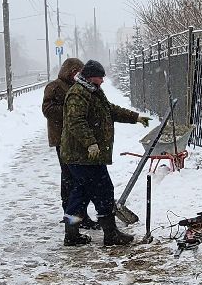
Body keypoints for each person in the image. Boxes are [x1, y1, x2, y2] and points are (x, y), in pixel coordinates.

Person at [58, 60, 150, 247]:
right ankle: (110, 234)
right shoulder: (78, 93)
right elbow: (76, 121)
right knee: (103, 190)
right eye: (100, 77)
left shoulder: (92, 91)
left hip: (87, 156)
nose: (102, 80)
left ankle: (72, 234)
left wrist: (135, 117)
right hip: (82, 156)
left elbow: (110, 110)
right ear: (91, 76)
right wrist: (90, 143)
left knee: (80, 194)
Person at [40, 57, 95, 228]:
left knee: (79, 179)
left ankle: (79, 216)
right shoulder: (55, 87)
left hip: (77, 138)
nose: (79, 75)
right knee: (70, 179)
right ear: (69, 71)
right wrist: (70, 111)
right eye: (77, 72)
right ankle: (72, 217)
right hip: (62, 139)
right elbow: (47, 109)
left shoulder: (79, 86)